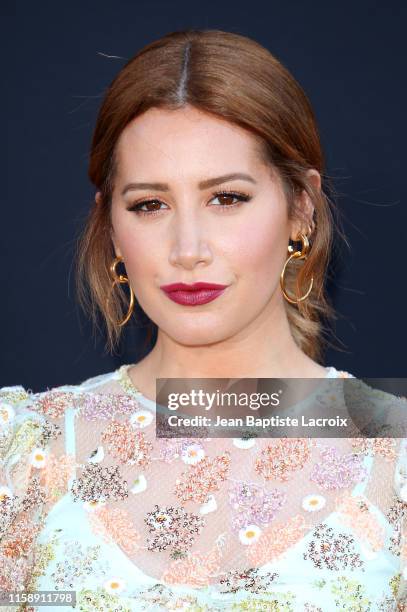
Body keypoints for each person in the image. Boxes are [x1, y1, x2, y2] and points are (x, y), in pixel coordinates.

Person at [1, 29, 405, 611]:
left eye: (227, 198)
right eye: (149, 205)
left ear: (301, 208)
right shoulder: (20, 453)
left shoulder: (397, 455)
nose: (187, 248)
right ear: (111, 225)